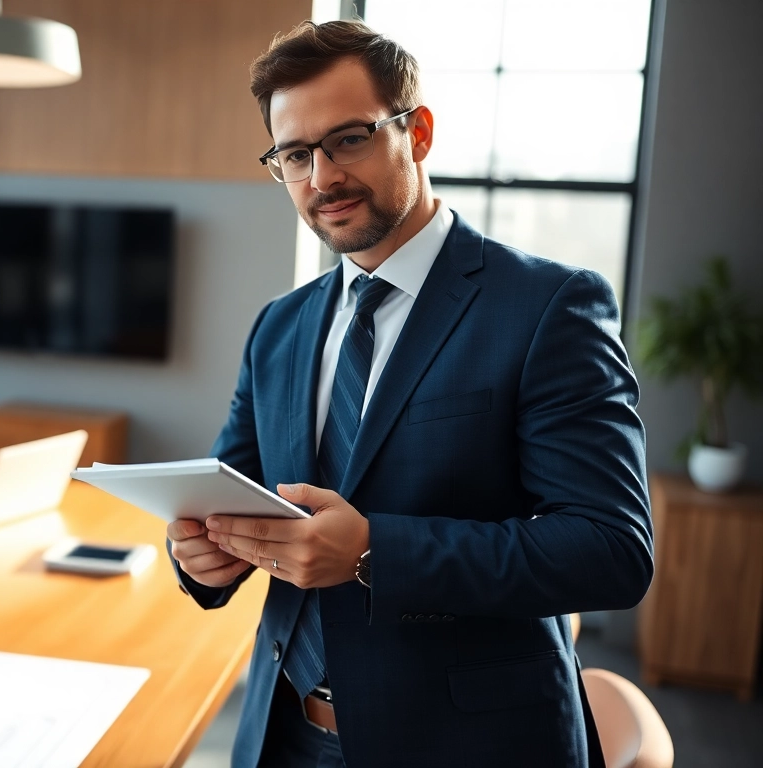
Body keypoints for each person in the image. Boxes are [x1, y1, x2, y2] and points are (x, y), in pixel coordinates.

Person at [166, 20, 652, 768]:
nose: (321, 178)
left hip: (468, 745)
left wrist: (373, 552)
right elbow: (228, 495)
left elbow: (610, 549)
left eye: (348, 139)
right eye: (295, 155)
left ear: (417, 133)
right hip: (284, 735)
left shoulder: (548, 307)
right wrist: (199, 556)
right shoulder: (278, 328)